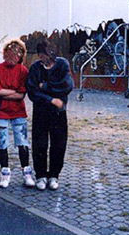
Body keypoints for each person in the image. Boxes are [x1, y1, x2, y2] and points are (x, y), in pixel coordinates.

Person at [26, 41, 74, 191]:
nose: (48, 57)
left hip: (58, 113)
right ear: (40, 55)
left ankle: (54, 175)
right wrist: (52, 99)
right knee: (39, 143)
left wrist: (45, 86)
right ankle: (40, 175)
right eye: (45, 54)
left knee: (58, 144)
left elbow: (67, 85)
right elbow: (32, 91)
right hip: (41, 112)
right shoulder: (35, 68)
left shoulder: (62, 64)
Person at [0, 38, 35, 188]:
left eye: (16, 55)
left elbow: (21, 95)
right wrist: (12, 92)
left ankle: (27, 173)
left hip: (18, 111)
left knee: (22, 142)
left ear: (21, 56)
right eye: (9, 54)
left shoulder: (23, 71)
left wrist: (6, 93)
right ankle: (5, 173)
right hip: (1, 111)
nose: (12, 58)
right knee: (2, 142)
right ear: (4, 53)